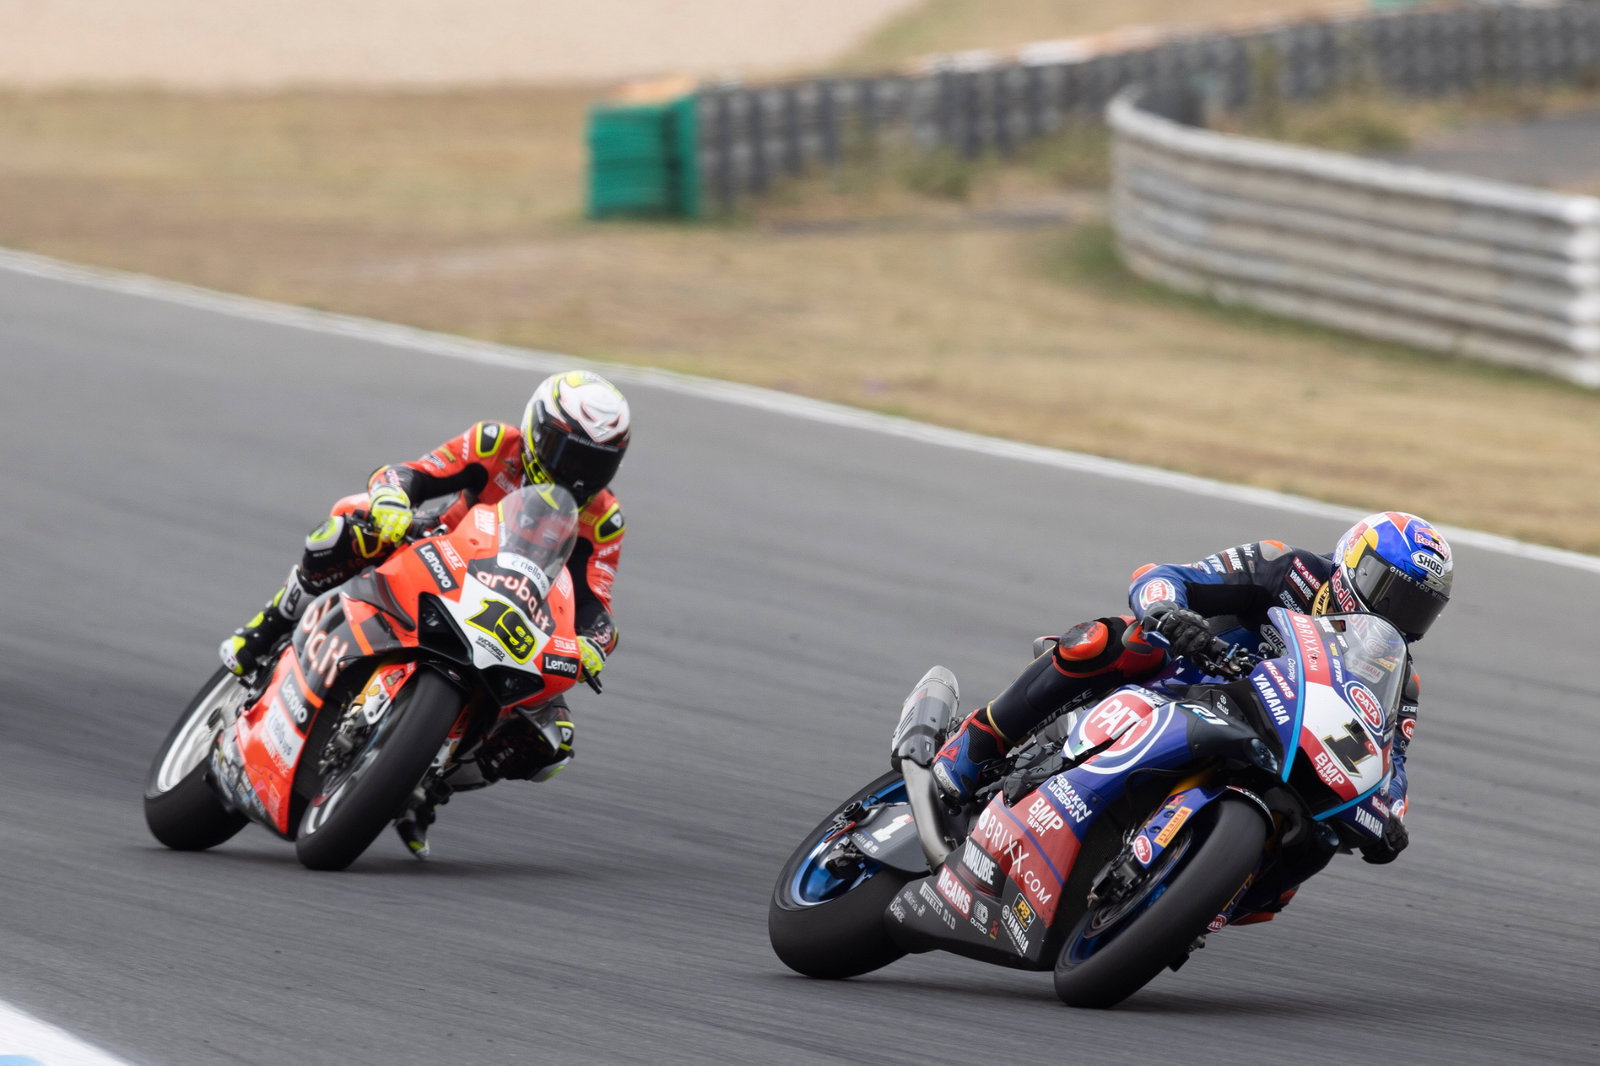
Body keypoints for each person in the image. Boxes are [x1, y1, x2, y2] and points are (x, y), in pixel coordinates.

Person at [931, 511, 1453, 919]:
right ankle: (976, 746)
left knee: (1327, 831)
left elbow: (1389, 756)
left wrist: (1392, 818)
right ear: (1353, 563)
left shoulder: (1396, 673)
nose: (1394, 616)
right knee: (1109, 642)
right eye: (1391, 594)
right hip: (1185, 678)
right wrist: (1170, 612)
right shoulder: (1285, 568)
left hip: (1275, 741)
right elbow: (1165, 577)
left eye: (1415, 609)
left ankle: (1212, 900)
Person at [219, 369, 632, 856]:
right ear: (539, 431)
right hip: (441, 552)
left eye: (596, 464)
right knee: (352, 525)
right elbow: (413, 473)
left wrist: (593, 643)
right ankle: (270, 626)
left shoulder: (603, 519)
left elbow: (593, 603)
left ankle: (427, 784)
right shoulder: (495, 443)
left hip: (514, 612)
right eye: (570, 454)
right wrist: (392, 497)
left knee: (551, 741)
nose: (579, 474)